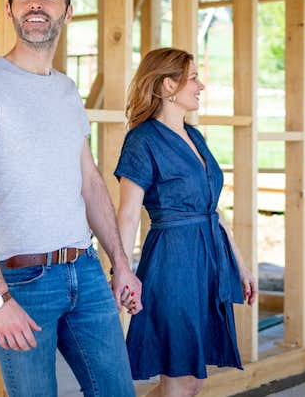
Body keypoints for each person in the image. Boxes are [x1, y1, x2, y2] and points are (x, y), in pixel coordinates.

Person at [0, 0, 141, 397]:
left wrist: (121, 265)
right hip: (20, 282)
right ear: (11, 8)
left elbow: (91, 182)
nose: (36, 3)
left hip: (86, 271)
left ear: (67, 11)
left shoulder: (67, 90)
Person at [114, 47, 257, 396]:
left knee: (193, 380)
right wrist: (122, 270)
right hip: (172, 265)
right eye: (193, 78)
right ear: (167, 86)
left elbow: (213, 210)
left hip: (208, 262)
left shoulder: (195, 137)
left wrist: (240, 264)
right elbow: (129, 212)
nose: (201, 86)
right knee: (179, 379)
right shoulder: (142, 140)